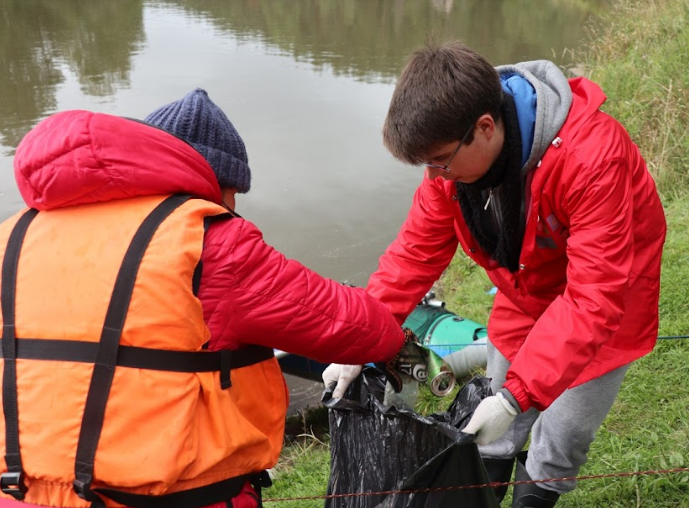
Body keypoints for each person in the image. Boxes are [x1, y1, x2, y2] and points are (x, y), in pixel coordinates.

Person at [0, 88, 410, 508]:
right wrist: (392, 338)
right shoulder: (209, 239)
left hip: (16, 492)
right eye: (232, 194)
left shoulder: (14, 237)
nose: (234, 208)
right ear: (204, 180)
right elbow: (360, 328)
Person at [325, 41, 666, 507]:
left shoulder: (593, 158)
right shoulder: (451, 171)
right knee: (492, 431)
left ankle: (538, 493)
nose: (437, 176)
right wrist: (358, 344)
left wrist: (518, 395)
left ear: (484, 127)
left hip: (610, 301)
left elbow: (594, 297)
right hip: (525, 294)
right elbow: (412, 256)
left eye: (441, 162)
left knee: (562, 433)